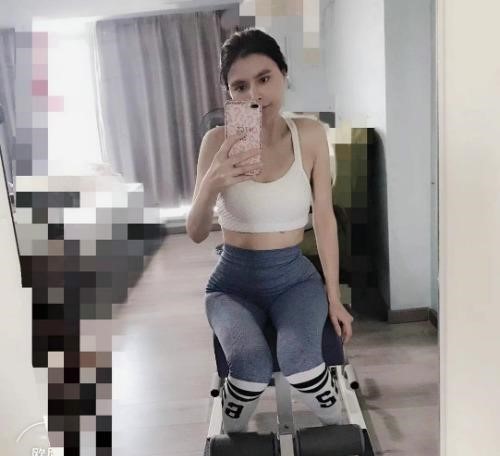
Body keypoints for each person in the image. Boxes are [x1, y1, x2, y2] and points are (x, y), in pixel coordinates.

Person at [186, 28, 354, 433]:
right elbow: (195, 232)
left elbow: (324, 218)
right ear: (229, 93)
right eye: (240, 86)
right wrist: (211, 183)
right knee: (249, 367)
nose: (255, 95)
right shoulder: (216, 141)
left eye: (264, 79)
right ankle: (232, 429)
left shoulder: (310, 135)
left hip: (295, 280)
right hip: (232, 284)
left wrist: (334, 297)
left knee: (302, 362)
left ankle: (340, 428)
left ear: (283, 74)